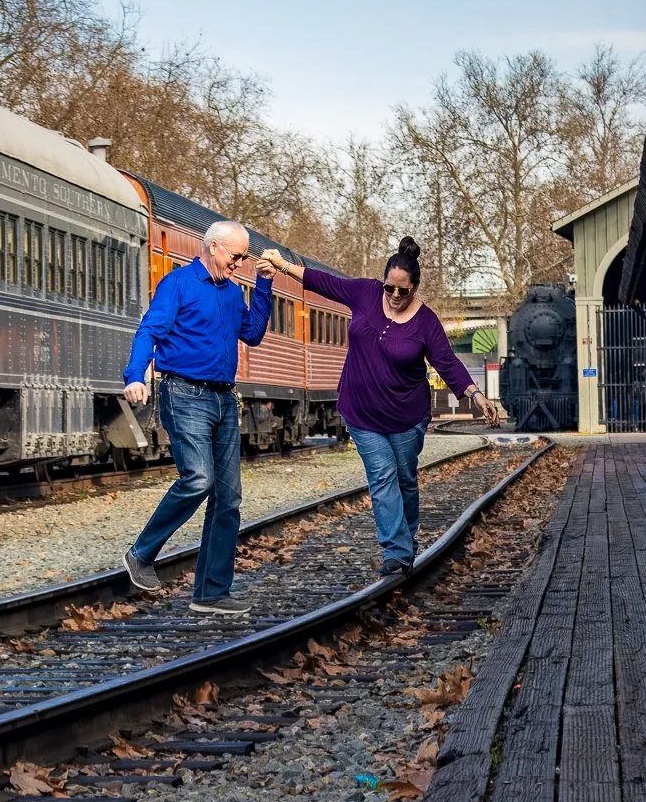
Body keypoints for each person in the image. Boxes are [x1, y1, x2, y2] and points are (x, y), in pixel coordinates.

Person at [260, 237, 500, 575]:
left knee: (404, 479)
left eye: (404, 291)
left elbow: (446, 361)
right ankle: (397, 551)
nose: (396, 296)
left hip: (406, 416)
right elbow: (324, 283)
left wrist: (476, 394)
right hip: (361, 412)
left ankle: (406, 538)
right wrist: (283, 265)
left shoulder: (426, 321)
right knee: (382, 476)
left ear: (414, 288)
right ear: (383, 282)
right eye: (390, 289)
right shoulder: (364, 293)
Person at [121, 220, 275, 614]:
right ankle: (141, 553)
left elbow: (254, 334)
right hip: (184, 393)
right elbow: (149, 330)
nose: (240, 263)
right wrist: (136, 374)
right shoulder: (178, 284)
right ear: (214, 248)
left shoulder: (231, 293)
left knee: (229, 499)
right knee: (199, 479)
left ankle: (211, 592)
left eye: (244, 257)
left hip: (224, 399)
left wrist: (264, 285)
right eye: (236, 256)